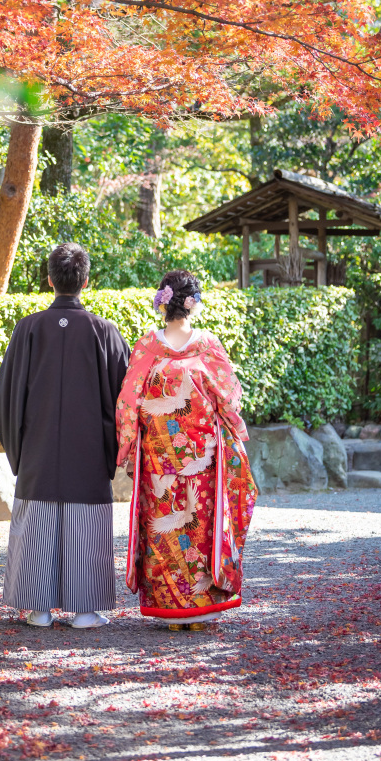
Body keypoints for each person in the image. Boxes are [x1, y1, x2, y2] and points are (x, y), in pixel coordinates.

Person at [0, 242, 130, 629]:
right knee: (87, 525)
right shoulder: (104, 331)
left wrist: (21, 448)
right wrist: (113, 448)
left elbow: (2, 399)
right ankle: (85, 611)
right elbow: (127, 399)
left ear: (50, 280)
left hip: (39, 452)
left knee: (37, 521)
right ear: (86, 281)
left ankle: (38, 609)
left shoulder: (28, 328)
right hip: (89, 454)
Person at [116, 269, 257, 631]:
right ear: (192, 304)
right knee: (199, 525)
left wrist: (128, 448)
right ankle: (200, 610)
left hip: (158, 459)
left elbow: (128, 403)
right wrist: (234, 428)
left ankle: (171, 610)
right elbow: (229, 397)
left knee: (163, 530)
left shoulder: (147, 346)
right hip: (202, 456)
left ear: (163, 303)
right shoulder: (207, 345)